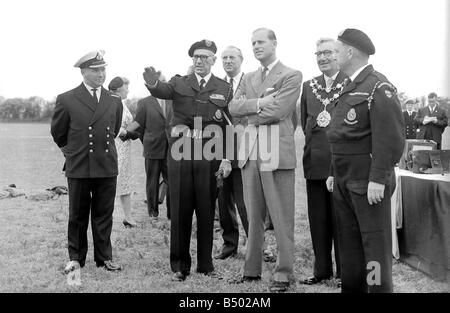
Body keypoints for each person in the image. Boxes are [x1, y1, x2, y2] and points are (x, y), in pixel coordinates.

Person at [142, 39, 232, 282]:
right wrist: (152, 83)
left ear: (213, 59)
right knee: (180, 211)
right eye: (196, 57)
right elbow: (162, 90)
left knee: (205, 210)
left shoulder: (223, 87)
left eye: (205, 57)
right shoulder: (179, 82)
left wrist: (227, 158)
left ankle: (206, 264)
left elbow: (228, 126)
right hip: (181, 156)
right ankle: (180, 266)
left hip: (209, 157)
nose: (199, 61)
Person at [326, 29, 405, 293]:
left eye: (336, 51)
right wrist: (332, 172)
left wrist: (378, 178)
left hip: (366, 180)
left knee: (374, 248)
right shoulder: (349, 86)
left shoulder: (378, 86)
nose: (333, 57)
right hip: (344, 178)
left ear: (350, 52)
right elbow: (340, 135)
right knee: (349, 245)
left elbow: (391, 138)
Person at [229, 28, 302, 292]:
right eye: (253, 43)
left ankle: (283, 273)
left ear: (275, 43)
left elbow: (281, 110)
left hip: (276, 152)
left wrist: (251, 110)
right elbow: (232, 107)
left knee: (281, 216)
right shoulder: (248, 76)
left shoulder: (291, 75)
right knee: (253, 214)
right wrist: (261, 102)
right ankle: (251, 270)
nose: (256, 46)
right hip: (250, 152)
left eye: (261, 42)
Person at [51, 50, 123, 272]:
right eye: (95, 70)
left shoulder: (114, 100)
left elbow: (115, 129)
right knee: (78, 216)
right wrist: (73, 153)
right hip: (80, 165)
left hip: (106, 165)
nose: (101, 74)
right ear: (84, 72)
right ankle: (75, 258)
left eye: (103, 69)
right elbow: (58, 133)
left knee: (104, 214)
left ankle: (104, 257)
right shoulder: (67, 98)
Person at [299, 38, 347, 285]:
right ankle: (321, 270)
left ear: (339, 54)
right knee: (318, 220)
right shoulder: (309, 86)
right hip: (315, 162)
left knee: (341, 220)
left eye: (327, 52)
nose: (322, 58)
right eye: (318, 53)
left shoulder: (350, 82)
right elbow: (305, 122)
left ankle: (344, 273)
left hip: (339, 163)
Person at [214, 46, 249, 260]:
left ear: (241, 59)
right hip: (219, 153)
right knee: (224, 202)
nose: (228, 61)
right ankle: (230, 244)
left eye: (232, 57)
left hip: (245, 152)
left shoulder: (251, 82)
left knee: (247, 204)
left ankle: (257, 244)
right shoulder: (217, 86)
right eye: (224, 58)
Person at [126, 75, 173, 219]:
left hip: (172, 148)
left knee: (172, 181)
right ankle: (153, 213)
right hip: (152, 147)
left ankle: (172, 214)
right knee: (152, 181)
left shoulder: (173, 101)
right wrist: (130, 134)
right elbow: (138, 124)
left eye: (163, 83)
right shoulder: (144, 102)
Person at [108, 76, 138, 228]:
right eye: (126, 87)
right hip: (115, 145)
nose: (128, 89)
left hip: (125, 147)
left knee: (125, 181)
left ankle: (128, 217)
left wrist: (134, 130)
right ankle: (107, 215)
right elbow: (110, 125)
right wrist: (125, 133)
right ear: (119, 88)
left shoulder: (122, 103)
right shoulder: (111, 102)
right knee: (113, 181)